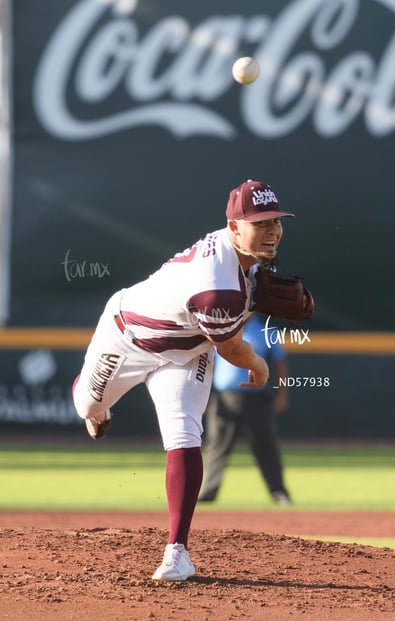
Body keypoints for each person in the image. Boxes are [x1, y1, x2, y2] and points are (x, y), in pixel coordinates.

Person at [72, 179, 295, 581]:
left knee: (184, 434)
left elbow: (231, 318)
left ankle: (177, 550)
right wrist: (261, 367)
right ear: (233, 227)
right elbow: (232, 349)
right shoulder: (216, 285)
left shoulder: (249, 263)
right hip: (128, 337)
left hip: (185, 352)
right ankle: (98, 408)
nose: (273, 230)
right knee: (87, 406)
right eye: (260, 223)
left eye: (276, 221)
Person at [198, 313, 291, 504]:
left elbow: (279, 363)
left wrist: (282, 393)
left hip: (256, 398)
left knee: (266, 447)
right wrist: (202, 397)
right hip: (224, 397)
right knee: (217, 445)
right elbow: (206, 363)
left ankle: (278, 492)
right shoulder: (220, 328)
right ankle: (208, 492)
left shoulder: (266, 330)